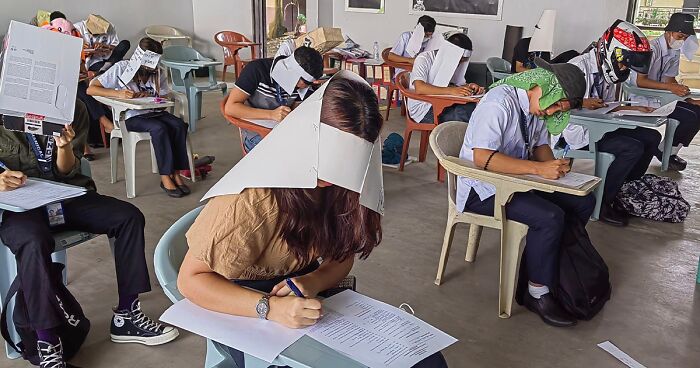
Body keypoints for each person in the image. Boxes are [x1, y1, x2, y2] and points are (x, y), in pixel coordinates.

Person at [178, 72, 448, 368]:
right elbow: (190, 281)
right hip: (242, 309)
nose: (330, 179)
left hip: (305, 298)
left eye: (344, 169)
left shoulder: (342, 187)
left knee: (426, 362)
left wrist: (313, 279)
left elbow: (342, 257)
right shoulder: (253, 196)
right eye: (326, 165)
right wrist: (269, 308)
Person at [0, 101, 178, 368]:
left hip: (64, 196)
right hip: (17, 204)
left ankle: (127, 316)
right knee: (33, 240)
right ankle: (47, 341)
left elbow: (67, 170)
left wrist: (63, 148)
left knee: (128, 217)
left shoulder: (73, 108)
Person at [458, 59, 594, 327]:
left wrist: (555, 167)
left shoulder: (536, 106)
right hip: (483, 188)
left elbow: (541, 147)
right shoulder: (499, 103)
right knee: (550, 217)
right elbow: (483, 158)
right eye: (553, 104)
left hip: (516, 180)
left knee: (582, 202)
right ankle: (537, 292)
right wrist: (540, 170)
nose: (551, 112)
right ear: (539, 86)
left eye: (559, 109)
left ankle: (549, 268)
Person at [562, 20, 661, 226]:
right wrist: (581, 102)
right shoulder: (576, 67)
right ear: (612, 51)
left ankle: (623, 190)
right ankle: (601, 203)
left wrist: (632, 108)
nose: (624, 68)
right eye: (624, 62)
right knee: (631, 148)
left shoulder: (607, 71)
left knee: (652, 137)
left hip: (601, 125)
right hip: (579, 132)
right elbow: (559, 106)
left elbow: (603, 105)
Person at [87, 37, 192, 198]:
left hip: (153, 112)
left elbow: (164, 99)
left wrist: (150, 96)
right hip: (130, 115)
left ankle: (176, 173)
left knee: (179, 125)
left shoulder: (158, 72)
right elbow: (92, 89)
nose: (150, 70)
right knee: (160, 129)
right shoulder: (122, 68)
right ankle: (165, 176)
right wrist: (118, 93)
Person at [629, 12, 700, 171]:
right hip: (642, 98)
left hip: (661, 97)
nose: (681, 40)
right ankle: (664, 152)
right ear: (668, 31)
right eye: (680, 35)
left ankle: (669, 151)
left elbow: (669, 81)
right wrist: (671, 88)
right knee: (690, 116)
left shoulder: (674, 51)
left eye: (685, 37)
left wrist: (687, 97)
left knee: (697, 110)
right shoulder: (651, 49)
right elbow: (641, 81)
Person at [224, 46, 323, 152]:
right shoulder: (257, 69)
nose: (303, 87)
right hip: (257, 133)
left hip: (283, 131)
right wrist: (271, 114)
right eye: (301, 83)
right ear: (291, 72)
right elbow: (230, 108)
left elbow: (296, 111)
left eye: (308, 84)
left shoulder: (303, 85)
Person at [408, 32, 483, 124]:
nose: (459, 64)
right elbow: (420, 88)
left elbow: (454, 83)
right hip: (423, 109)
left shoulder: (452, 62)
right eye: (459, 60)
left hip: (443, 101)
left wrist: (469, 87)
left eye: (463, 61)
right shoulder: (424, 59)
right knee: (462, 115)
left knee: (475, 108)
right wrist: (451, 91)